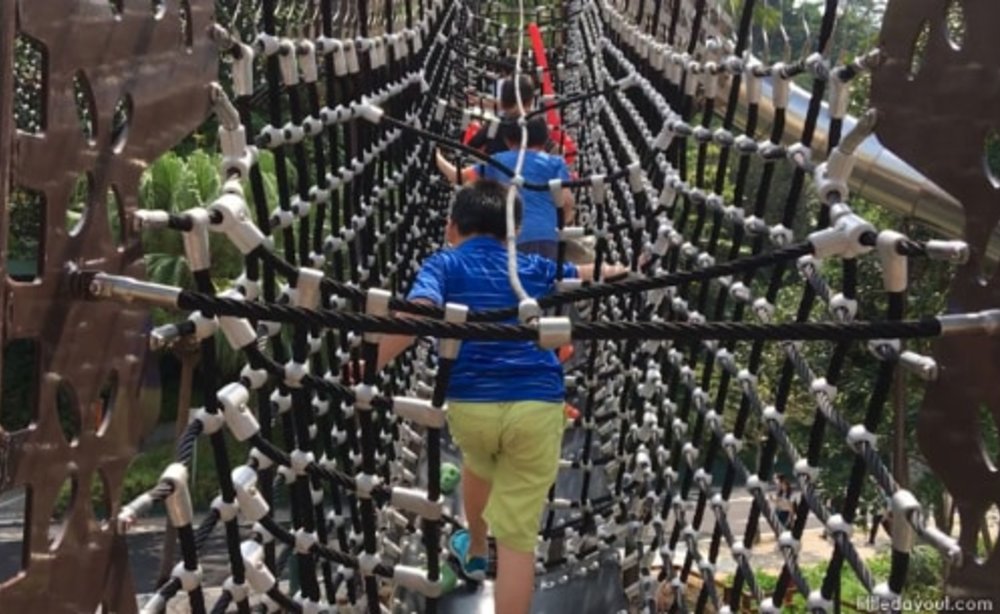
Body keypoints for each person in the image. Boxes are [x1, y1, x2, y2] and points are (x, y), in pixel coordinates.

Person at [375, 180, 627, 614]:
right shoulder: (529, 265)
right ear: (512, 234)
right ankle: (494, 558)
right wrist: (625, 268)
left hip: (472, 408)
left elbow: (418, 314)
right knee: (517, 539)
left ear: (451, 227)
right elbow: (582, 276)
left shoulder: (444, 263)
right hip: (537, 405)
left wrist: (367, 363)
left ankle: (474, 549)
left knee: (478, 462)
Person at [436, 117, 574, 260]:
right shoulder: (555, 163)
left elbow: (458, 176)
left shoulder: (500, 160)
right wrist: (557, 223)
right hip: (547, 236)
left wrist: (438, 157)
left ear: (508, 139)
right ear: (544, 138)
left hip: (512, 237)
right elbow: (567, 202)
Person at [466, 74, 537, 156]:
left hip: (494, 166)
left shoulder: (496, 124)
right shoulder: (536, 126)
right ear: (530, 101)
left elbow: (471, 146)